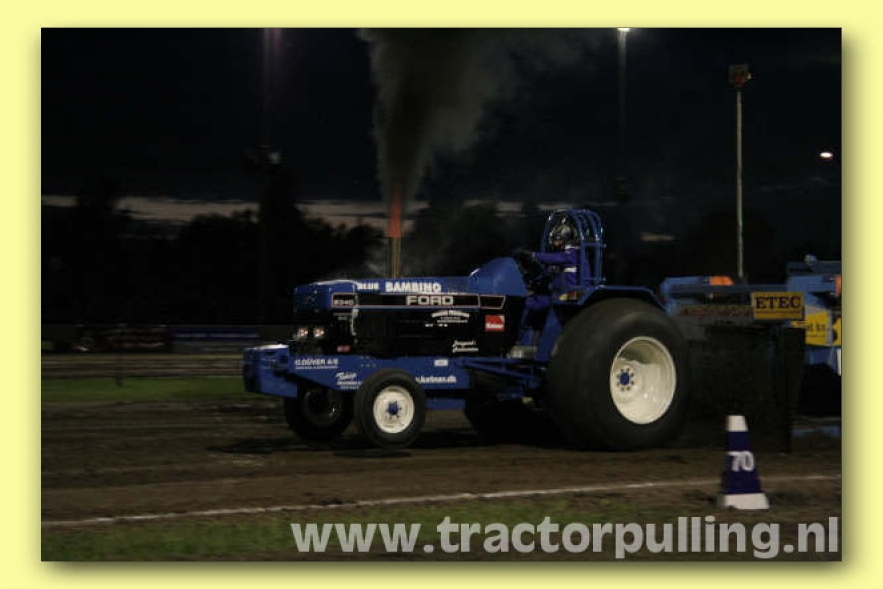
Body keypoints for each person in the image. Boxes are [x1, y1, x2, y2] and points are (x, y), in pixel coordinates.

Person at [515, 218, 580, 332]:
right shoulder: (563, 257)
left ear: (566, 239)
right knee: (529, 301)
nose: (555, 243)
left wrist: (534, 255)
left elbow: (554, 258)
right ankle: (528, 332)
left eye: (558, 240)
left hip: (568, 294)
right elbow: (549, 271)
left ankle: (520, 332)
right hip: (559, 293)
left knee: (528, 303)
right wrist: (533, 281)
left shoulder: (572, 253)